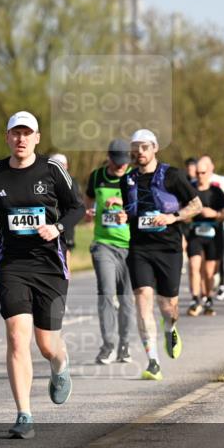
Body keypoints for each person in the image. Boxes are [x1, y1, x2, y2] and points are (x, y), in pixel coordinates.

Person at [0, 111, 85, 439]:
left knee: (47, 344)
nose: (21, 139)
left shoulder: (52, 170)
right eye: (16, 133)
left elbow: (77, 208)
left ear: (37, 138)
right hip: (12, 264)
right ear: (7, 137)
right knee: (15, 336)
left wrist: (57, 228)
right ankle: (24, 414)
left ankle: (59, 365)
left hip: (50, 265)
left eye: (27, 133)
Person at [116, 129, 201, 381]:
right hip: (139, 248)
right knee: (143, 299)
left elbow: (196, 205)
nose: (139, 152)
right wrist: (123, 216)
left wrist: (173, 217)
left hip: (169, 248)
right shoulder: (127, 180)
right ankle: (153, 361)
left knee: (168, 307)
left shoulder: (173, 175)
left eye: (144, 147)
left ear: (155, 148)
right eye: (136, 148)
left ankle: (170, 327)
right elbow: (130, 211)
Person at [84, 139, 135, 365]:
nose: (122, 166)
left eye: (125, 161)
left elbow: (146, 203)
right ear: (109, 157)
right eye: (118, 161)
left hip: (131, 246)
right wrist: (89, 210)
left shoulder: (135, 176)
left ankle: (125, 345)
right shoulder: (97, 176)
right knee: (106, 293)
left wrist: (123, 203)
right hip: (103, 243)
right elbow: (89, 197)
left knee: (127, 299)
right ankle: (108, 346)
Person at [186, 156, 224, 316]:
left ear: (209, 173)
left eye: (203, 173)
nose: (200, 176)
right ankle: (194, 299)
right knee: (194, 266)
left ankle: (208, 298)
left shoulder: (216, 191)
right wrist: (190, 213)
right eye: (197, 173)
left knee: (209, 270)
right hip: (195, 232)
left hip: (213, 234)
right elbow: (180, 211)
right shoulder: (190, 190)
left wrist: (215, 214)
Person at [49, 153, 81, 271]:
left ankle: (65, 279)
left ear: (66, 166)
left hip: (65, 224)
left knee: (65, 257)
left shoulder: (72, 182)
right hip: (48, 225)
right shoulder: (45, 181)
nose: (59, 167)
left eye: (62, 164)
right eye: (56, 164)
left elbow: (78, 206)